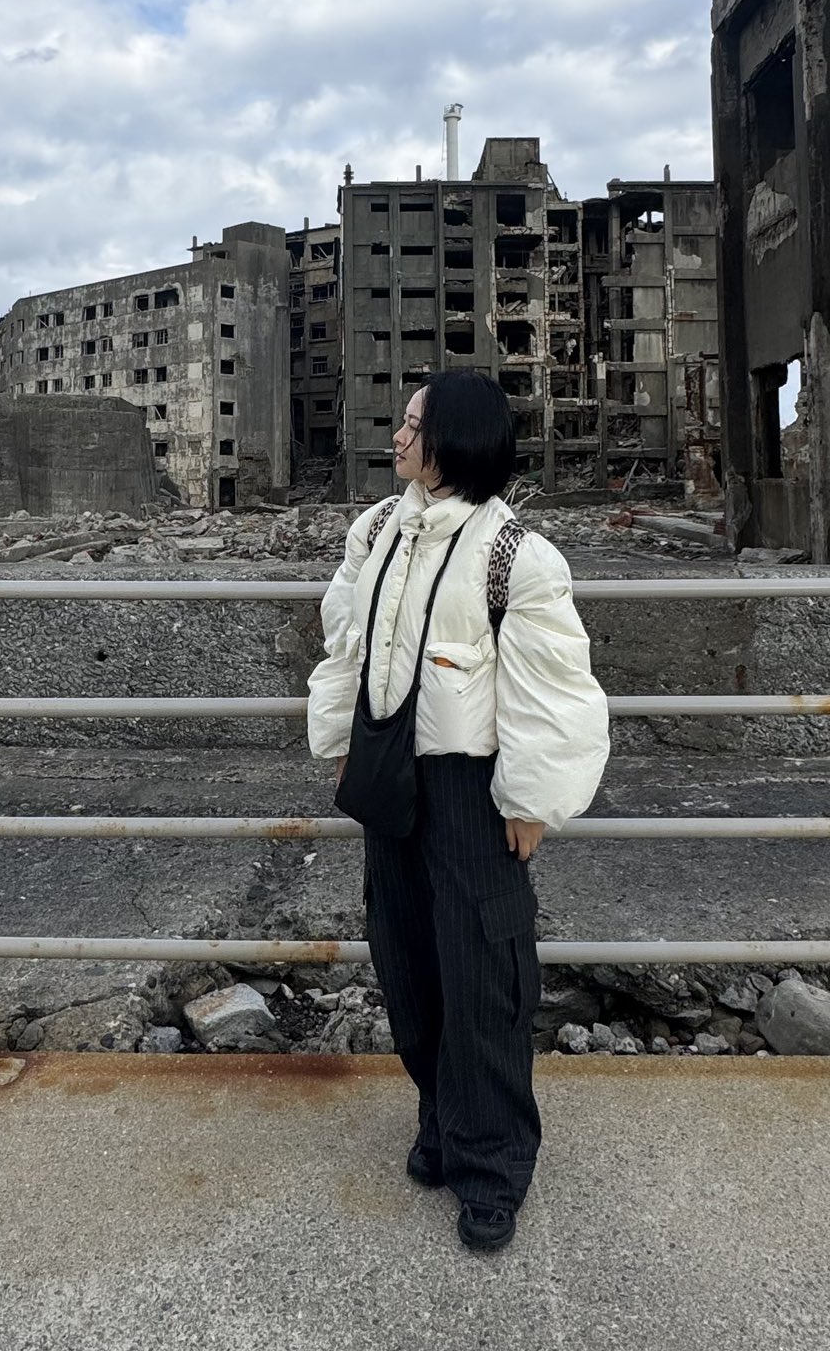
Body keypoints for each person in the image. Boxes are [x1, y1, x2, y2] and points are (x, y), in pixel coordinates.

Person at [308, 371, 609, 1252]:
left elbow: (553, 688)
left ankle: (492, 1167)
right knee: (405, 960)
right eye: (403, 425)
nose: (398, 439)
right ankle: (440, 1117)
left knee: (485, 976)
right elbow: (346, 643)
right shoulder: (377, 529)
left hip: (472, 790)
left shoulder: (518, 555)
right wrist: (340, 741)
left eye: (414, 427)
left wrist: (531, 800)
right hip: (389, 776)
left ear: (455, 441)